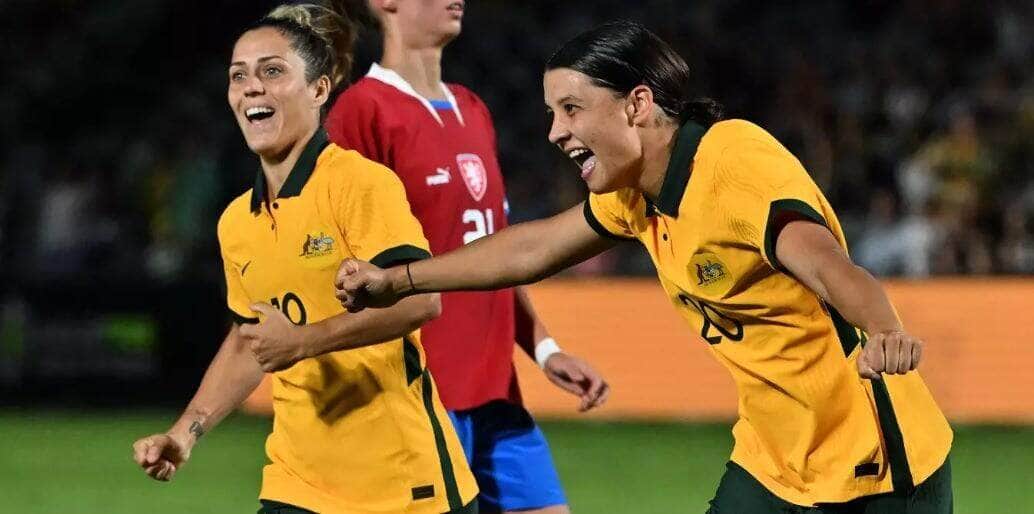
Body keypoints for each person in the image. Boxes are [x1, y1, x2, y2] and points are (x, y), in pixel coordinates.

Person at [335, 21, 954, 514]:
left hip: (872, 463)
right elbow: (532, 248)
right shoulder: (637, 190)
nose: (555, 131)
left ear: (637, 104)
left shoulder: (734, 168)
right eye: (553, 113)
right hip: (773, 459)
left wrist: (883, 331)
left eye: (572, 109)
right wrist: (400, 278)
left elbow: (830, 268)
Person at [130, 3, 478, 513]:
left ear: (319, 89)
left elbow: (421, 304)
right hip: (296, 483)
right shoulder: (236, 221)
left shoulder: (359, 183)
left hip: (401, 486)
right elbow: (250, 341)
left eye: (273, 71)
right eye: (239, 76)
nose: (252, 87)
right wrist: (185, 433)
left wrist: (303, 342)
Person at [324, 2, 608, 513]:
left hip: (497, 395)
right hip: (420, 398)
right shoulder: (360, 113)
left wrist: (544, 349)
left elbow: (494, 249)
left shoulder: (472, 108)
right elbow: (345, 268)